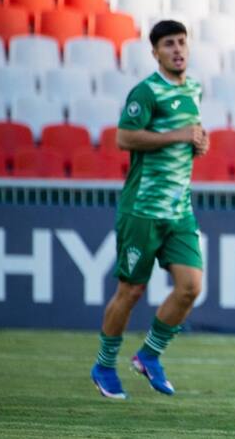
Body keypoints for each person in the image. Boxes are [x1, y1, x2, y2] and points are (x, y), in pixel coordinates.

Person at [90, 20, 209, 399]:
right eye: (169, 44)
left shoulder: (194, 88)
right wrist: (178, 136)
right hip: (143, 208)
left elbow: (188, 132)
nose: (177, 49)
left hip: (179, 209)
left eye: (182, 42)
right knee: (131, 290)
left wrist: (198, 142)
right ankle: (104, 365)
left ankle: (148, 355)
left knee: (190, 287)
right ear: (155, 52)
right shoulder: (145, 91)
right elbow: (124, 137)